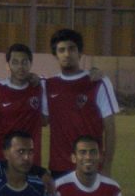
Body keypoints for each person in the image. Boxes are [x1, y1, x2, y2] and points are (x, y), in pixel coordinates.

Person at [43, 29, 119, 177]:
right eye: (61, 50)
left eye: (72, 49)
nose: (67, 54)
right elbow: (43, 119)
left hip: (90, 165)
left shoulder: (97, 82)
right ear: (55, 55)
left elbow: (110, 127)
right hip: (59, 166)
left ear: (80, 53)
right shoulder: (49, 85)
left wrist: (107, 166)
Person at [0, 44, 44, 161]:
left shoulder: (40, 87)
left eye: (24, 62)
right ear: (8, 65)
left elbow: (45, 120)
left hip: (27, 160)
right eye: (15, 62)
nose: (20, 67)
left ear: (30, 64)